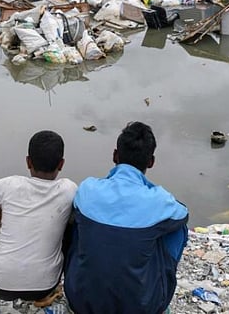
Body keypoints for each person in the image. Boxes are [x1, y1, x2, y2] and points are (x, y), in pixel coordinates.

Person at [64, 121, 189, 314]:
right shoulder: (159, 200)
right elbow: (183, 213)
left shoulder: (88, 189)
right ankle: (159, 283)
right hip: (141, 308)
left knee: (76, 220)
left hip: (81, 301)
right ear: (151, 162)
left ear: (115, 155)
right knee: (177, 228)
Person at [0, 130, 76, 311]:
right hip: (45, 285)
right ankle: (46, 288)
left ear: (28, 162)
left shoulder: (10, 185)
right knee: (71, 223)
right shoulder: (69, 189)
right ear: (61, 164)